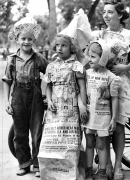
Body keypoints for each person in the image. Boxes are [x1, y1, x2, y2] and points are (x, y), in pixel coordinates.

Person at [92, 0, 130, 179]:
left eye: (110, 12)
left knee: (118, 127)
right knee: (101, 125)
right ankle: (106, 164)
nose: (106, 15)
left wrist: (123, 68)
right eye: (104, 12)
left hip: (122, 82)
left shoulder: (129, 35)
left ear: (120, 15)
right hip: (102, 82)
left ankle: (118, 166)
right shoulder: (99, 34)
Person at [2, 17, 48, 177]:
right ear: (17, 39)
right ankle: (23, 163)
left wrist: (46, 96)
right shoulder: (12, 60)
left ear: (34, 39)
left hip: (36, 99)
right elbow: (7, 80)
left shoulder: (40, 59)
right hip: (18, 98)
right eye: (23, 38)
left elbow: (49, 77)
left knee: (37, 133)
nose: (26, 42)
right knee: (19, 133)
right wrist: (7, 101)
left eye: (30, 39)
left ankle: (37, 165)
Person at [42, 34, 87, 179]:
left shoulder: (77, 66)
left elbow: (82, 88)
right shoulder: (51, 66)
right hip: (55, 109)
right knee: (55, 141)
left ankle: (74, 171)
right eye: (58, 45)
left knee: (72, 141)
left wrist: (83, 106)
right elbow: (48, 86)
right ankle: (55, 171)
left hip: (72, 110)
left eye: (64, 45)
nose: (60, 48)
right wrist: (49, 101)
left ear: (71, 48)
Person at [80, 39, 122, 180]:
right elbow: (81, 92)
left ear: (103, 58)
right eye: (88, 56)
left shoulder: (111, 77)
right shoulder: (86, 73)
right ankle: (89, 171)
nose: (89, 59)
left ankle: (102, 172)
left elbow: (114, 98)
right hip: (89, 116)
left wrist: (114, 119)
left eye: (93, 56)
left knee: (101, 144)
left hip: (103, 118)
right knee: (90, 143)